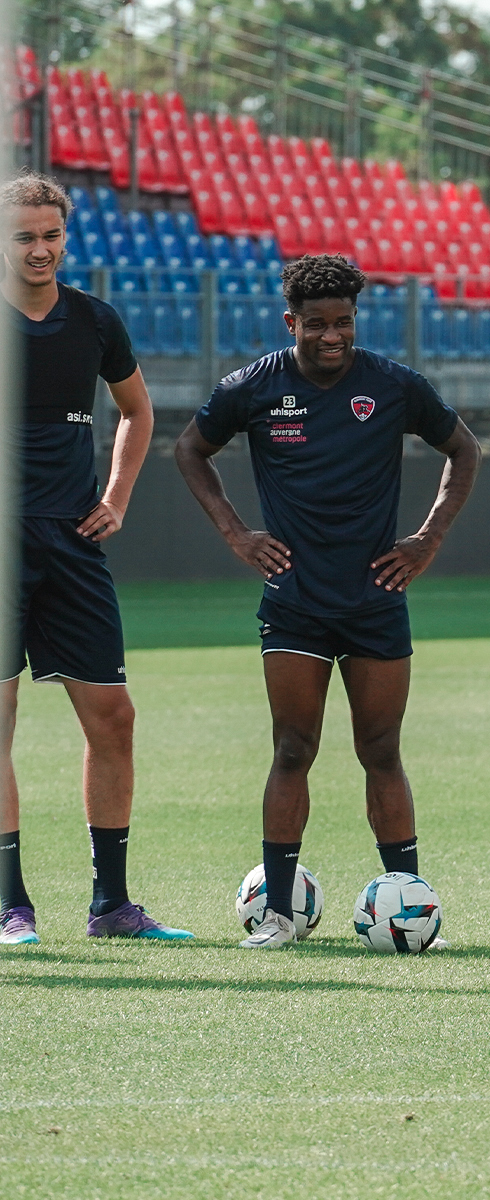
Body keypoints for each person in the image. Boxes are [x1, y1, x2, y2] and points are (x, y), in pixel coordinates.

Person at [174, 254, 481, 949]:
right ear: (292, 323)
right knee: (293, 749)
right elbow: (191, 449)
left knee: (381, 750)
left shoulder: (395, 386)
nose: (333, 335)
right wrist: (236, 533)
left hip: (375, 598)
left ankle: (407, 902)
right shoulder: (253, 387)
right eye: (317, 324)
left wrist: (427, 539)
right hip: (294, 602)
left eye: (344, 322)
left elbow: (464, 450)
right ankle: (277, 916)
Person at [0, 172, 192, 945]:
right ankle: (10, 906)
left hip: (73, 543)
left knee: (114, 719)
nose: (40, 249)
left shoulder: (95, 319)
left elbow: (138, 411)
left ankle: (111, 906)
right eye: (24, 236)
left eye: (51, 235)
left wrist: (116, 493)